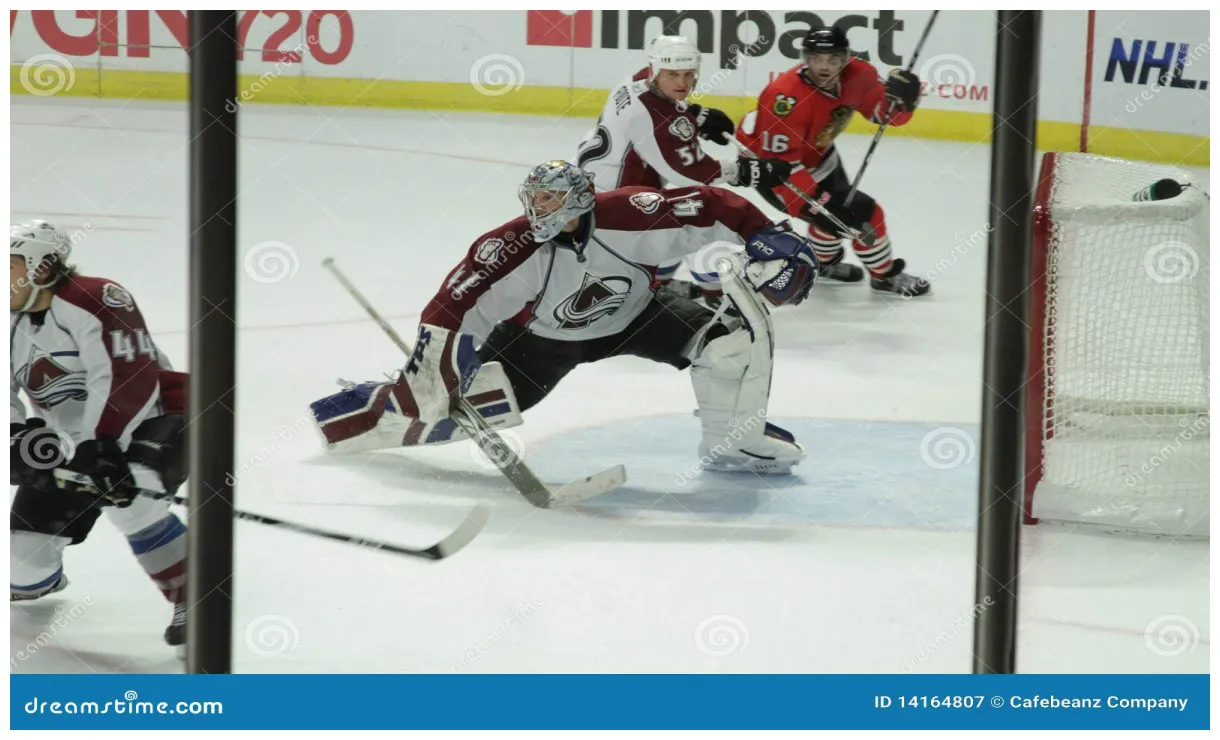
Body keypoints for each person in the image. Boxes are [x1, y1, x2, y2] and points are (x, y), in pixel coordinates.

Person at [312, 161, 819, 476]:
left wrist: (764, 232)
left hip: (641, 315)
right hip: (543, 344)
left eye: (551, 200)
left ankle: (732, 444)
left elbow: (709, 204)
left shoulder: (628, 213)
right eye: (534, 201)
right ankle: (350, 416)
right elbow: (452, 306)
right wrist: (436, 372)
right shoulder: (510, 245)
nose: (539, 211)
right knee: (447, 415)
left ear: (578, 200)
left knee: (728, 340)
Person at [9, 220, 190, 649]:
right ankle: (41, 577)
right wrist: (18, 441)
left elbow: (127, 377)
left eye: (9, 266)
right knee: (22, 566)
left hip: (159, 415)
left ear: (43, 266)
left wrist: (102, 446)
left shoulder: (96, 298)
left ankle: (196, 595)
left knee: (134, 500)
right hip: (78, 439)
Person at [575, 34, 794, 304]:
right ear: (657, 70)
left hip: (601, 180)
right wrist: (748, 171)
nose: (682, 83)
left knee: (670, 227)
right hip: (619, 202)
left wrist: (697, 115)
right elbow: (691, 174)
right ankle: (716, 298)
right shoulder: (660, 119)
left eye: (689, 74)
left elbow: (667, 109)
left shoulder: (640, 79)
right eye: (673, 74)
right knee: (700, 224)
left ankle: (654, 283)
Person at [737, 27, 931, 297]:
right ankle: (884, 276)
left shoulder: (859, 74)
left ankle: (821, 264)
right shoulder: (785, 98)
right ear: (806, 59)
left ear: (845, 59)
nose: (824, 67)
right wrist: (816, 202)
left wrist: (904, 101)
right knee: (863, 216)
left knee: (837, 217)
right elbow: (780, 167)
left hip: (819, 152)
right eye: (817, 59)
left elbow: (883, 115)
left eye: (833, 59)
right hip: (772, 170)